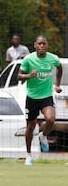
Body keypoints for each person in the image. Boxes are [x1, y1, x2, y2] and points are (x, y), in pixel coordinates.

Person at [18, 35, 62, 166]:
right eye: (39, 44)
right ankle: (28, 155)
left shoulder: (53, 58)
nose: (42, 46)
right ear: (35, 45)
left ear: (47, 46)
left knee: (50, 119)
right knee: (30, 127)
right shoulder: (28, 59)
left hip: (46, 96)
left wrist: (57, 84)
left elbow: (60, 67)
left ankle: (43, 135)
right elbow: (19, 76)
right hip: (32, 98)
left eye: (44, 43)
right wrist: (29, 76)